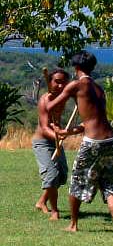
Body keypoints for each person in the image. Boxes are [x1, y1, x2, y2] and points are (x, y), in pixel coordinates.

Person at [47, 50, 113, 236]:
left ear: (77, 68)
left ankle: (73, 224)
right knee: (110, 184)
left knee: (77, 182)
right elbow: (93, 119)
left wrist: (51, 98)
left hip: (93, 143)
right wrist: (70, 131)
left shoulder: (76, 85)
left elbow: (51, 106)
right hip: (110, 140)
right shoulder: (99, 88)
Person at [32, 68, 70, 220]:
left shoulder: (62, 98)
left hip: (56, 141)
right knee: (52, 175)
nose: (60, 86)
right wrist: (58, 133)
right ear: (50, 82)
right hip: (42, 142)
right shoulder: (44, 100)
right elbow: (44, 127)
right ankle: (55, 211)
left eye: (64, 83)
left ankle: (41, 201)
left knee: (61, 176)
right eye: (57, 82)